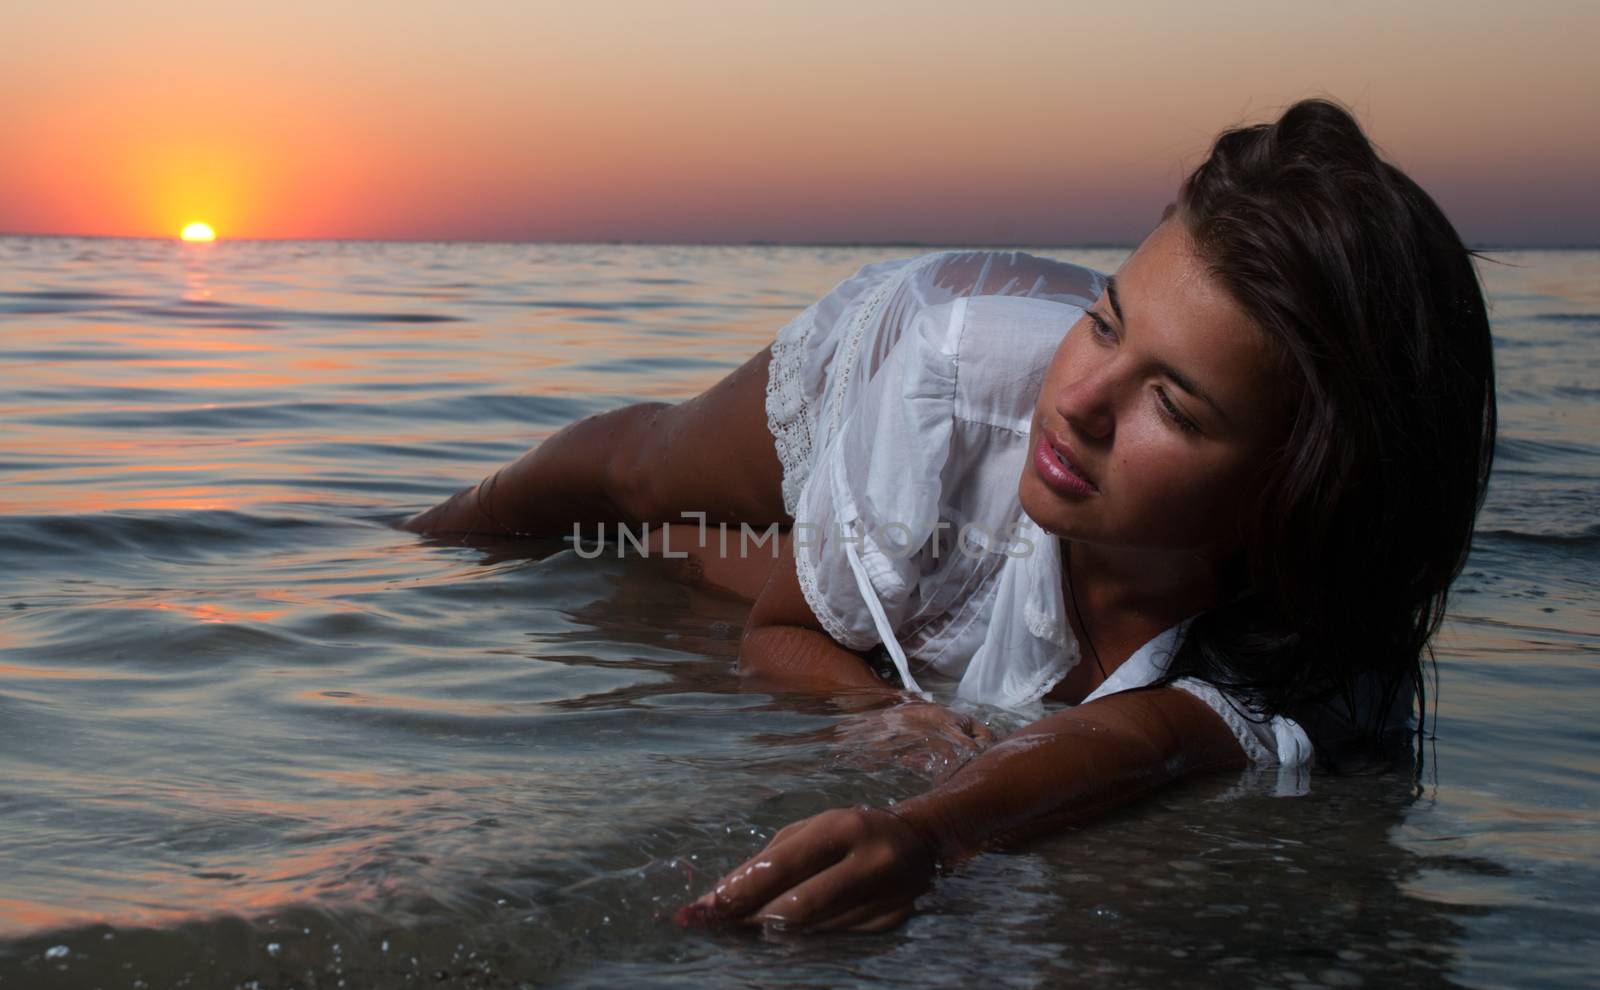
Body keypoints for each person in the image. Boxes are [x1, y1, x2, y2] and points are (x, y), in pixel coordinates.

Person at [402, 98, 1497, 932]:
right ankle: (423, 531)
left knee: (796, 575)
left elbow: (1139, 742)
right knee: (640, 477)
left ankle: (727, 553)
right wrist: (891, 720)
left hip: (956, 525)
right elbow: (777, 634)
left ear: (1301, 490)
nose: (1076, 405)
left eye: (1170, 401)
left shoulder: (1315, 647)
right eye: (1108, 323)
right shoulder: (959, 389)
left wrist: (928, 831)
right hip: (921, 377)